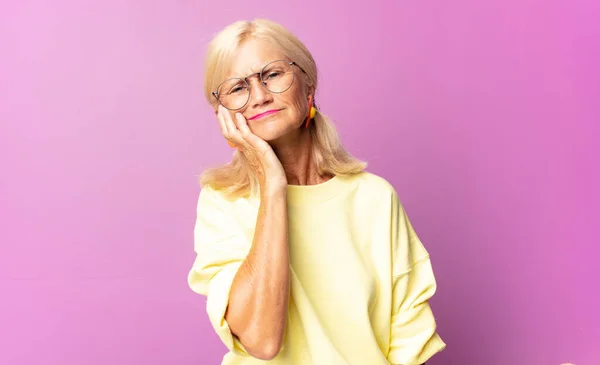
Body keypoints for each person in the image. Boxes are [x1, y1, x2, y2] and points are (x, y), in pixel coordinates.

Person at [187, 18, 446, 365]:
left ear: (307, 84)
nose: (260, 96)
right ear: (224, 115)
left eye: (272, 75)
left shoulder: (375, 199)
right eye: (238, 88)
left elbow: (408, 346)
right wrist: (273, 184)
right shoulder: (223, 203)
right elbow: (262, 341)